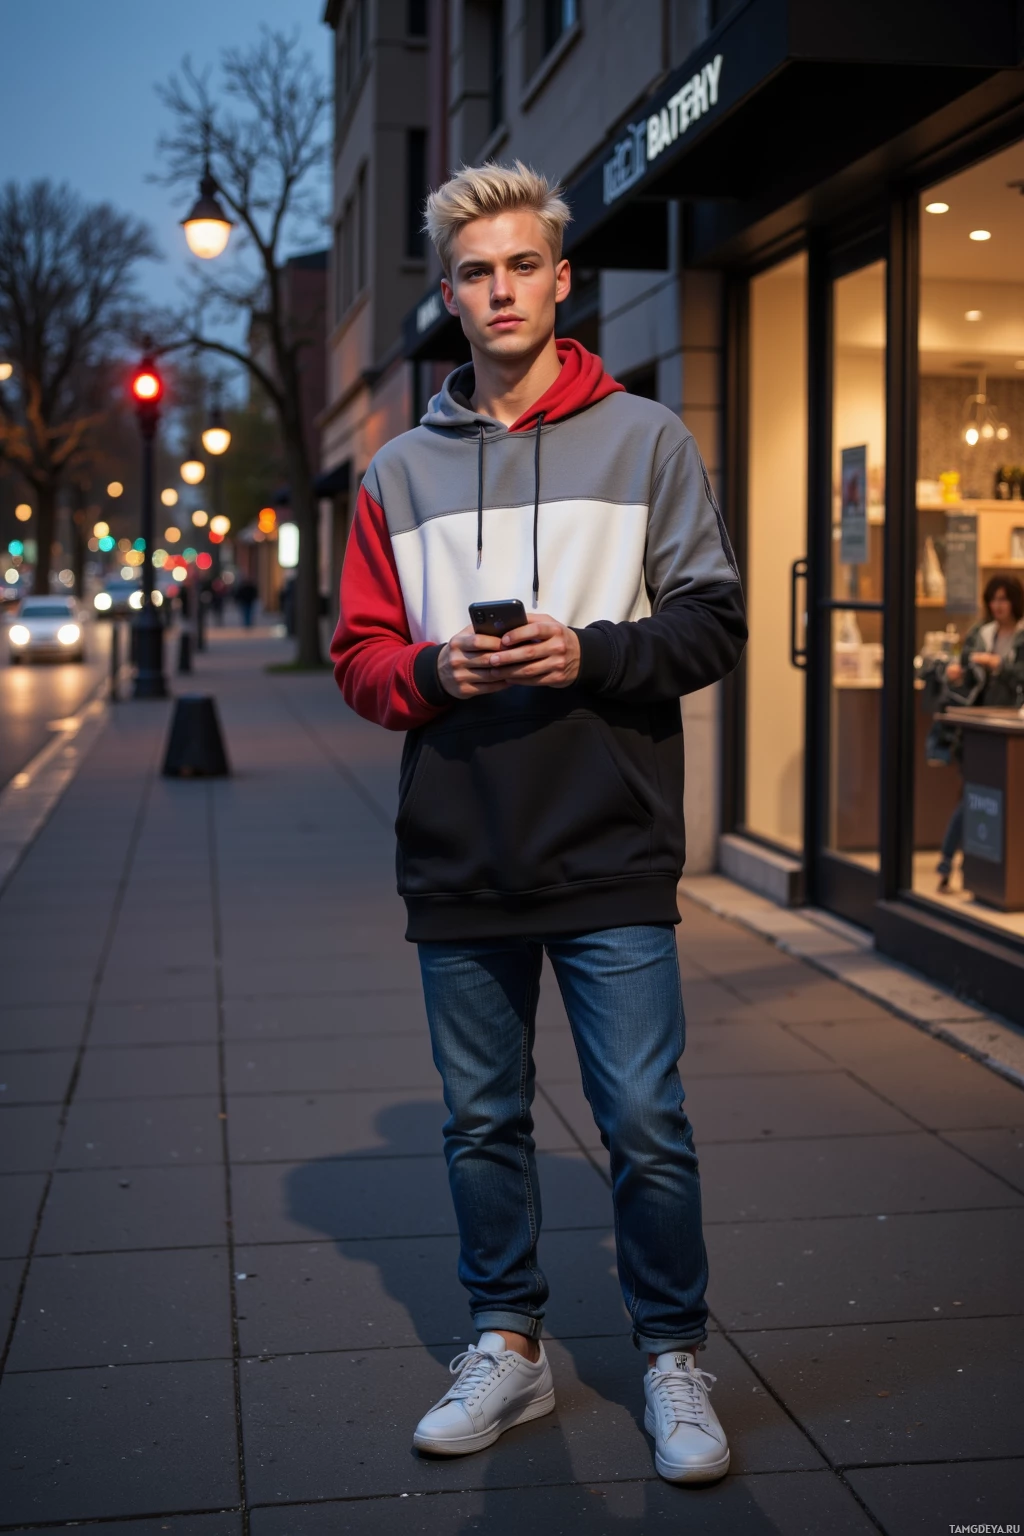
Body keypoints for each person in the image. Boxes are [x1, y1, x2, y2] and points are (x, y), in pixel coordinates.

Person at [331, 162, 746, 1485]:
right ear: (448, 295)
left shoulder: (648, 440)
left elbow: (713, 622)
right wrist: (438, 673)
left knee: (644, 1124)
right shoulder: (394, 473)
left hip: (611, 840)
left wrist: (592, 655)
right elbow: (359, 657)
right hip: (460, 851)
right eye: (473, 272)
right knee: (481, 1122)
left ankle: (675, 1355)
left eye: (522, 266)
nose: (499, 290)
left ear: (561, 280)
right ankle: (505, 1346)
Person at [937, 573, 1024, 892]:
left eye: (1004, 599)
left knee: (991, 797)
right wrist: (957, 672)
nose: (999, 605)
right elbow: (962, 669)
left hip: (1010, 722)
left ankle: (961, 864)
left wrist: (999, 666)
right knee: (973, 793)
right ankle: (949, 861)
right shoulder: (980, 633)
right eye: (994, 599)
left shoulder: (1021, 636)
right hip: (976, 724)